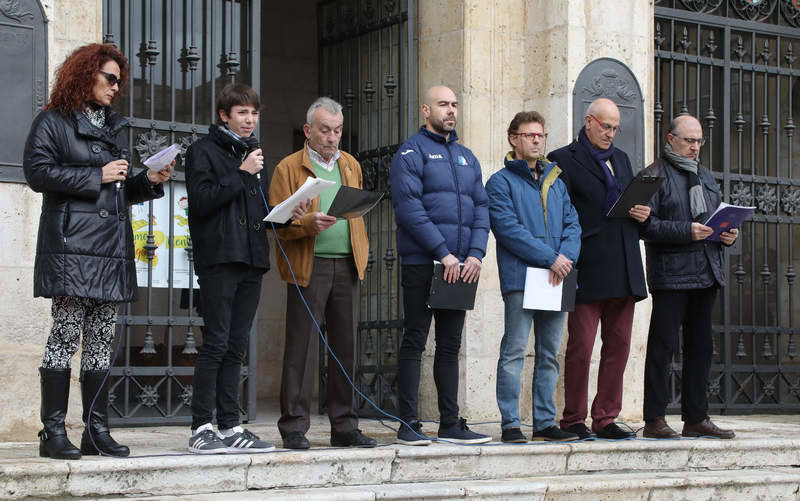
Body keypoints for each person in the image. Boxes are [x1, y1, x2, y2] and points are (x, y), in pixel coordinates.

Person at [23, 43, 173, 460]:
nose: (115, 87)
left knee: (101, 341)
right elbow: (37, 172)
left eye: (119, 82)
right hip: (73, 248)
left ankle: (96, 431)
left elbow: (119, 191)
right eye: (109, 78)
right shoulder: (53, 121)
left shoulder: (113, 127)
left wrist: (150, 180)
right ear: (85, 74)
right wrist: (97, 174)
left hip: (109, 250)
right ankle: (52, 434)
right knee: (64, 336)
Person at [185, 83, 308, 454]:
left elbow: (253, 211)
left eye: (253, 113)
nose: (249, 120)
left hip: (251, 260)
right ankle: (200, 426)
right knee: (216, 343)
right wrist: (241, 174)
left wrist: (286, 216)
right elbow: (203, 202)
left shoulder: (252, 155)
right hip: (220, 259)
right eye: (241, 113)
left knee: (236, 345)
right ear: (224, 115)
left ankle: (229, 425)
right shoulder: (202, 152)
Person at [269, 97, 376, 450]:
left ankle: (344, 425)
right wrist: (305, 222)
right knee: (301, 346)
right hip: (309, 266)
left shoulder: (350, 165)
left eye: (338, 130)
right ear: (308, 131)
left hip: (347, 263)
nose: (332, 138)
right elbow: (277, 224)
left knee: (345, 346)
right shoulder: (287, 167)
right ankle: (294, 427)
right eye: (325, 130)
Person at [390, 85, 491, 445]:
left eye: (454, 105)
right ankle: (409, 424)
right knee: (415, 341)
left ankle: (450, 423)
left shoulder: (467, 157)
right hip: (424, 263)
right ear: (425, 110)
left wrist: (476, 254)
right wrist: (443, 252)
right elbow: (409, 209)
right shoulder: (410, 152)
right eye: (443, 105)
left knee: (450, 345)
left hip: (460, 267)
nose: (450, 111)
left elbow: (482, 208)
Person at [547, 98, 650, 440]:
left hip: (623, 263)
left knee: (618, 346)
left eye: (615, 128)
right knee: (581, 345)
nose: (611, 133)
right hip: (586, 264)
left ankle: (605, 417)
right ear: (588, 121)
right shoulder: (562, 160)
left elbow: (631, 203)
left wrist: (641, 213)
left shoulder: (621, 159)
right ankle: (573, 418)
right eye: (606, 126)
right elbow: (559, 214)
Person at [640, 115, 737, 440]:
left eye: (699, 141)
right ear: (671, 139)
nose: (695, 147)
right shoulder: (652, 175)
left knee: (701, 349)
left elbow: (714, 218)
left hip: (707, 272)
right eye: (689, 140)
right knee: (662, 348)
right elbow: (644, 226)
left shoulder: (706, 176)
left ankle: (695, 417)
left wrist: (728, 234)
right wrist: (687, 231)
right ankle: (654, 419)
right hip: (671, 277)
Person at [487, 111, 582, 443]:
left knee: (549, 353)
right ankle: (510, 423)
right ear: (514, 139)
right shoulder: (499, 182)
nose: (536, 140)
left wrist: (566, 258)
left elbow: (573, 222)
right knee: (514, 351)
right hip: (522, 277)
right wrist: (551, 258)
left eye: (540, 135)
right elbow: (508, 230)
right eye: (529, 135)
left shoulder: (556, 180)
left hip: (558, 277)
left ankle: (544, 422)